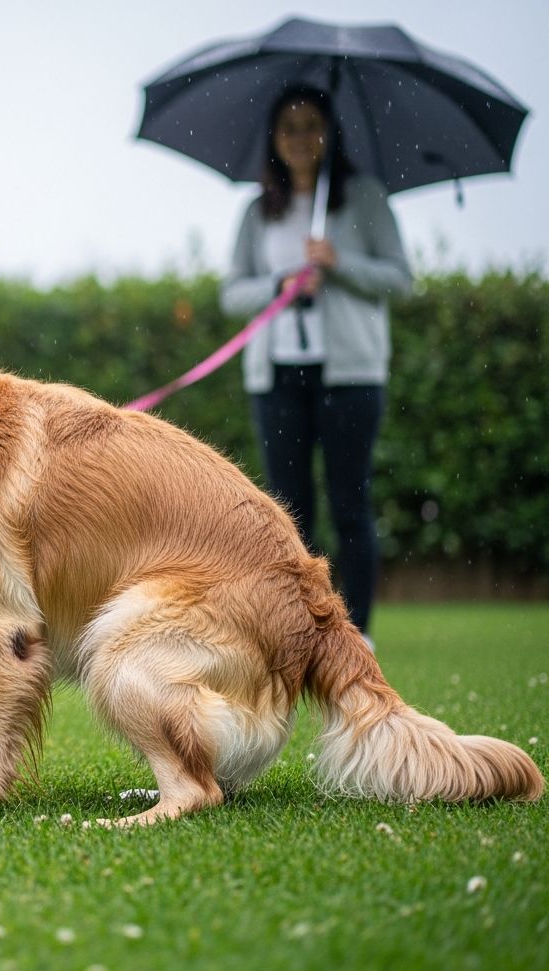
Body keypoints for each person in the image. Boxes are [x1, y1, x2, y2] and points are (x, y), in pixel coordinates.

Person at [221, 85, 413, 643]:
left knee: (350, 501)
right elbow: (232, 292)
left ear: (330, 135)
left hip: (349, 373)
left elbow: (400, 278)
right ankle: (300, 630)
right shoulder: (258, 212)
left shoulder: (365, 198)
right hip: (277, 374)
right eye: (289, 127)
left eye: (311, 126)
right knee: (287, 509)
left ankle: (358, 634)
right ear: (275, 139)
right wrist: (279, 284)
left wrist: (340, 262)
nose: (301, 138)